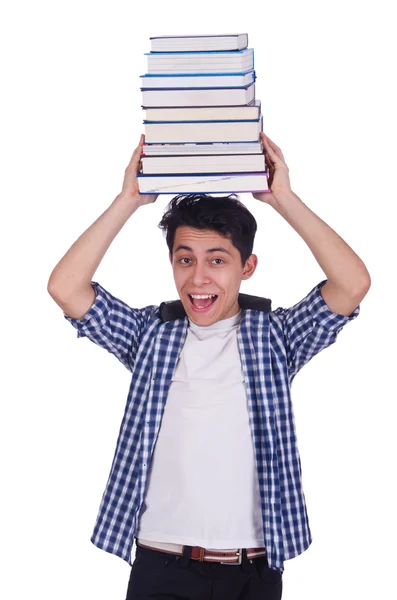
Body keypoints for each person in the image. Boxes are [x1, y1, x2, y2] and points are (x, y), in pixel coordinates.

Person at [47, 132, 371, 600]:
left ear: (247, 266)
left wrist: (284, 199)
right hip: (162, 567)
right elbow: (66, 288)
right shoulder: (150, 334)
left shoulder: (274, 337)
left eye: (217, 260)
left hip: (253, 570)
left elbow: (353, 284)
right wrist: (126, 201)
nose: (198, 278)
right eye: (185, 260)